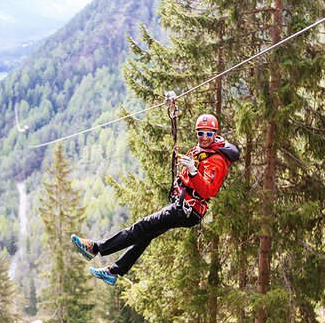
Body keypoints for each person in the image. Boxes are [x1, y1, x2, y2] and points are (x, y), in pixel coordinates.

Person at [71, 113, 239, 285]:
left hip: (187, 210)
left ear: (215, 133)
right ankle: (114, 271)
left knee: (142, 227)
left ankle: (96, 248)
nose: (204, 137)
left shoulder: (217, 160)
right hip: (182, 205)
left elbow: (208, 191)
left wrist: (193, 172)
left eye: (208, 133)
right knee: (146, 235)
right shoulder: (201, 150)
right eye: (200, 133)